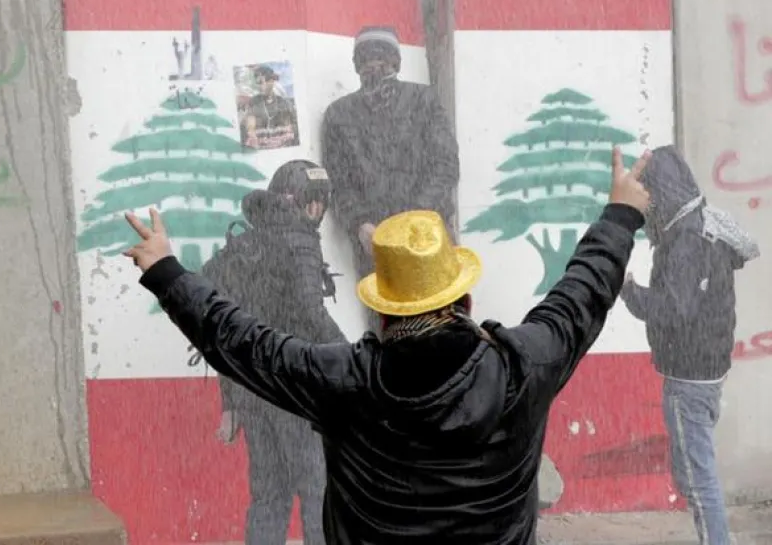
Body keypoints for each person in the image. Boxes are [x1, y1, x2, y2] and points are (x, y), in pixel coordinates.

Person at [123, 147, 652, 543]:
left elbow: (242, 342)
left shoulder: (343, 382)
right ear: (464, 298)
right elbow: (580, 295)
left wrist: (167, 273)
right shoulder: (523, 366)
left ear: (382, 309)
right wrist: (620, 216)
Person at [619, 146, 759, 545]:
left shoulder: (687, 240)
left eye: (646, 195)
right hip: (707, 370)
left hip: (689, 379)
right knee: (691, 472)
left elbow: (671, 311)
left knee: (698, 481)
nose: (645, 207)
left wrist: (628, 290)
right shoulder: (703, 224)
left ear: (660, 192)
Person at [201, 161, 344, 545]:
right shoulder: (299, 240)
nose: (318, 210)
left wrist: (231, 401)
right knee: (316, 490)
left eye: (321, 202)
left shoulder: (247, 244)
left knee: (269, 494)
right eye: (314, 201)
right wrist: (353, 359)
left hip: (251, 388)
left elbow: (225, 327)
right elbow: (311, 313)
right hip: (291, 387)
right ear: (299, 201)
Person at [321, 26, 460, 281]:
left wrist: (416, 216)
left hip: (429, 235)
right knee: (387, 306)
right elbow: (338, 182)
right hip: (377, 248)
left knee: (445, 303)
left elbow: (446, 164)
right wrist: (360, 224)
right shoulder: (338, 114)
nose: (374, 66)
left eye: (382, 59)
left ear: (396, 62)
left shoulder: (423, 100)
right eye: (366, 59)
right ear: (356, 65)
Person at [239, 65, 299, 149]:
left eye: (266, 80)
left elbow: (296, 125)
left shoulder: (284, 103)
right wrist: (251, 133)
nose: (263, 85)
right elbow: (249, 126)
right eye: (259, 82)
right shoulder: (254, 102)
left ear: (272, 81)